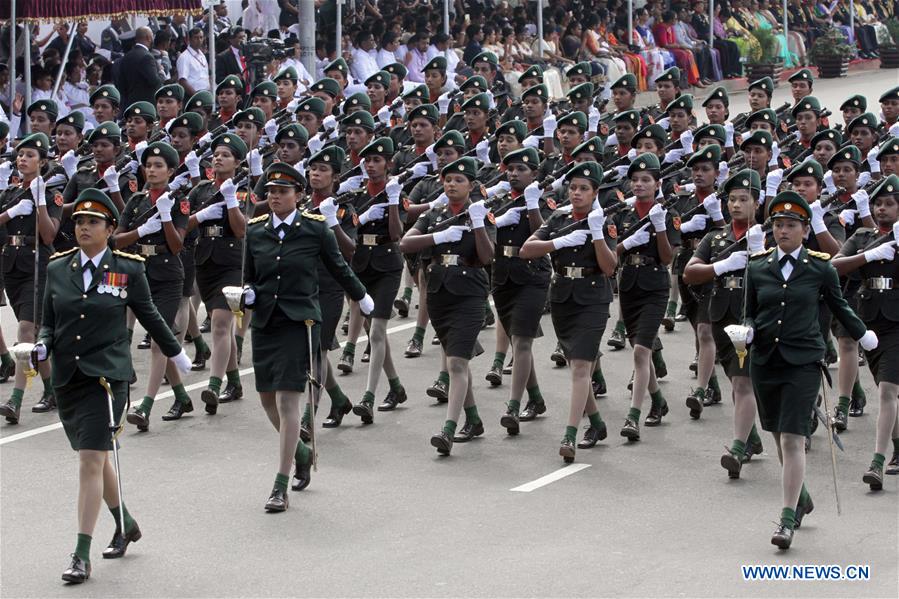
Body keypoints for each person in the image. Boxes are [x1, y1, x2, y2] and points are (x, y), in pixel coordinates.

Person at [30, 189, 191, 583]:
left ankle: (80, 554)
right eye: (80, 222)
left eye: (93, 222)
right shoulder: (57, 268)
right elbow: (49, 320)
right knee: (97, 458)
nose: (84, 228)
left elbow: (150, 315)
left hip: (106, 380)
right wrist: (42, 344)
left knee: (89, 460)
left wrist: (176, 353)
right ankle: (126, 522)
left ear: (110, 229)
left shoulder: (128, 269)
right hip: (68, 377)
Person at [743, 191, 877, 550]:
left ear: (805, 230)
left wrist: (862, 335)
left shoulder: (820, 267)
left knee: (792, 437)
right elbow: (749, 311)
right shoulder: (756, 266)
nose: (783, 231)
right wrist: (747, 330)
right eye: (778, 225)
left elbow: (840, 305)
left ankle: (786, 519)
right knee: (774, 430)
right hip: (764, 361)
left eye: (791, 225)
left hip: (803, 361)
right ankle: (800, 496)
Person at [242, 162, 373, 510]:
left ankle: (279, 486)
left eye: (283, 192)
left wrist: (360, 295)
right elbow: (249, 277)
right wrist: (248, 293)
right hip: (266, 323)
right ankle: (300, 451)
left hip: (300, 323)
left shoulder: (315, 230)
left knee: (288, 403)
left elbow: (338, 266)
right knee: (267, 400)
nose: (275, 198)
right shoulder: (255, 232)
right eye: (270, 192)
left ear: (298, 196)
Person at [520, 161, 618, 460]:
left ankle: (571, 434)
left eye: (583, 189)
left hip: (592, 298)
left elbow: (610, 268)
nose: (576, 193)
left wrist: (598, 235)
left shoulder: (604, 221)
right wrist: (559, 241)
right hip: (563, 296)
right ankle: (597, 423)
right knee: (578, 365)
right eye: (573, 187)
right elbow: (526, 249)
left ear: (595, 193)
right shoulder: (559, 219)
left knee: (579, 367)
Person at [400, 157, 495, 455]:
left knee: (455, 362)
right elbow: (406, 242)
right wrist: (437, 236)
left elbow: (487, 256)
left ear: (472, 186)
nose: (451, 185)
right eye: (448, 180)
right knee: (458, 360)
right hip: (439, 292)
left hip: (469, 292)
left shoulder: (480, 214)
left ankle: (449, 429)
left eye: (459, 180)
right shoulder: (436, 212)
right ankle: (474, 419)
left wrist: (478, 225)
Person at [684, 169, 767, 477]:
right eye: (731, 199)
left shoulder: (769, 235)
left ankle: (737, 446)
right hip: (721, 315)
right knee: (736, 380)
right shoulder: (715, 239)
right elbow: (690, 273)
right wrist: (722, 265)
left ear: (756, 203)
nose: (735, 205)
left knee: (744, 382)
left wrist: (760, 254)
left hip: (753, 315)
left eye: (743, 199)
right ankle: (751, 438)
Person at [832, 174, 899, 489]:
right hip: (869, 320)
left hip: (898, 322)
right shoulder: (861, 236)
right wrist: (871, 254)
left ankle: (877, 461)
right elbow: (835, 266)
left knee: (887, 390)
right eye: (878, 204)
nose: (883, 209)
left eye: (890, 203)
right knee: (889, 388)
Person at [119, 142, 190, 431]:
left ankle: (146, 405)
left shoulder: (179, 201)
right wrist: (140, 231)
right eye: (148, 165)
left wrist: (166, 216)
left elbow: (177, 245)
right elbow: (116, 240)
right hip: (139, 273)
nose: (152, 170)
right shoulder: (136, 202)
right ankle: (182, 397)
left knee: (160, 341)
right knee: (162, 340)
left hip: (168, 274)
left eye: (159, 165)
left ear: (171, 171)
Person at [614, 152, 679, 439]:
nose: (639, 185)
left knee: (641, 351)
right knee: (640, 350)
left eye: (645, 180)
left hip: (654, 286)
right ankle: (658, 401)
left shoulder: (668, 214)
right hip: (628, 284)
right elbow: (610, 253)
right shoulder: (622, 215)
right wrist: (626, 243)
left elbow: (667, 258)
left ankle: (632, 416)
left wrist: (661, 227)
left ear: (657, 183)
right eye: (635, 180)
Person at [184, 134, 250, 417]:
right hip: (205, 262)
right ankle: (235, 383)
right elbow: (180, 225)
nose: (218, 158)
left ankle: (214, 384)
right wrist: (200, 216)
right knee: (221, 325)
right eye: (216, 154)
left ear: (237, 161)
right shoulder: (199, 191)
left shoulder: (244, 190)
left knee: (222, 325)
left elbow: (241, 229)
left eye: (225, 155)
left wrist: (232, 201)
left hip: (232, 263)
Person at [488, 148, 552, 436]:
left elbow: (546, 234)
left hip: (532, 275)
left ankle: (513, 406)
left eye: (521, 169)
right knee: (517, 340)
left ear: (534, 174)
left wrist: (532, 206)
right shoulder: (499, 201)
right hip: (502, 275)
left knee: (522, 341)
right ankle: (536, 398)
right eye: (510, 169)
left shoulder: (543, 201)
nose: (513, 174)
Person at [0, 133, 63, 423]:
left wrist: (38, 201)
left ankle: (16, 398)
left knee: (26, 332)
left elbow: (49, 235)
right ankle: (51, 389)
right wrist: (11, 211)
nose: (22, 159)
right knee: (35, 338)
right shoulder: (10, 194)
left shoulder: (51, 195)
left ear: (43, 162)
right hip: (11, 267)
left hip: (37, 267)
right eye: (20, 154)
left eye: (29, 155)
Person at [113, 27, 162, 109]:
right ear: (148, 38)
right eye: (152, 36)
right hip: (146, 106)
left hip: (130, 105)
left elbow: (120, 84)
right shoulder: (147, 57)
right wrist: (160, 71)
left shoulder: (126, 57)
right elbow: (155, 82)